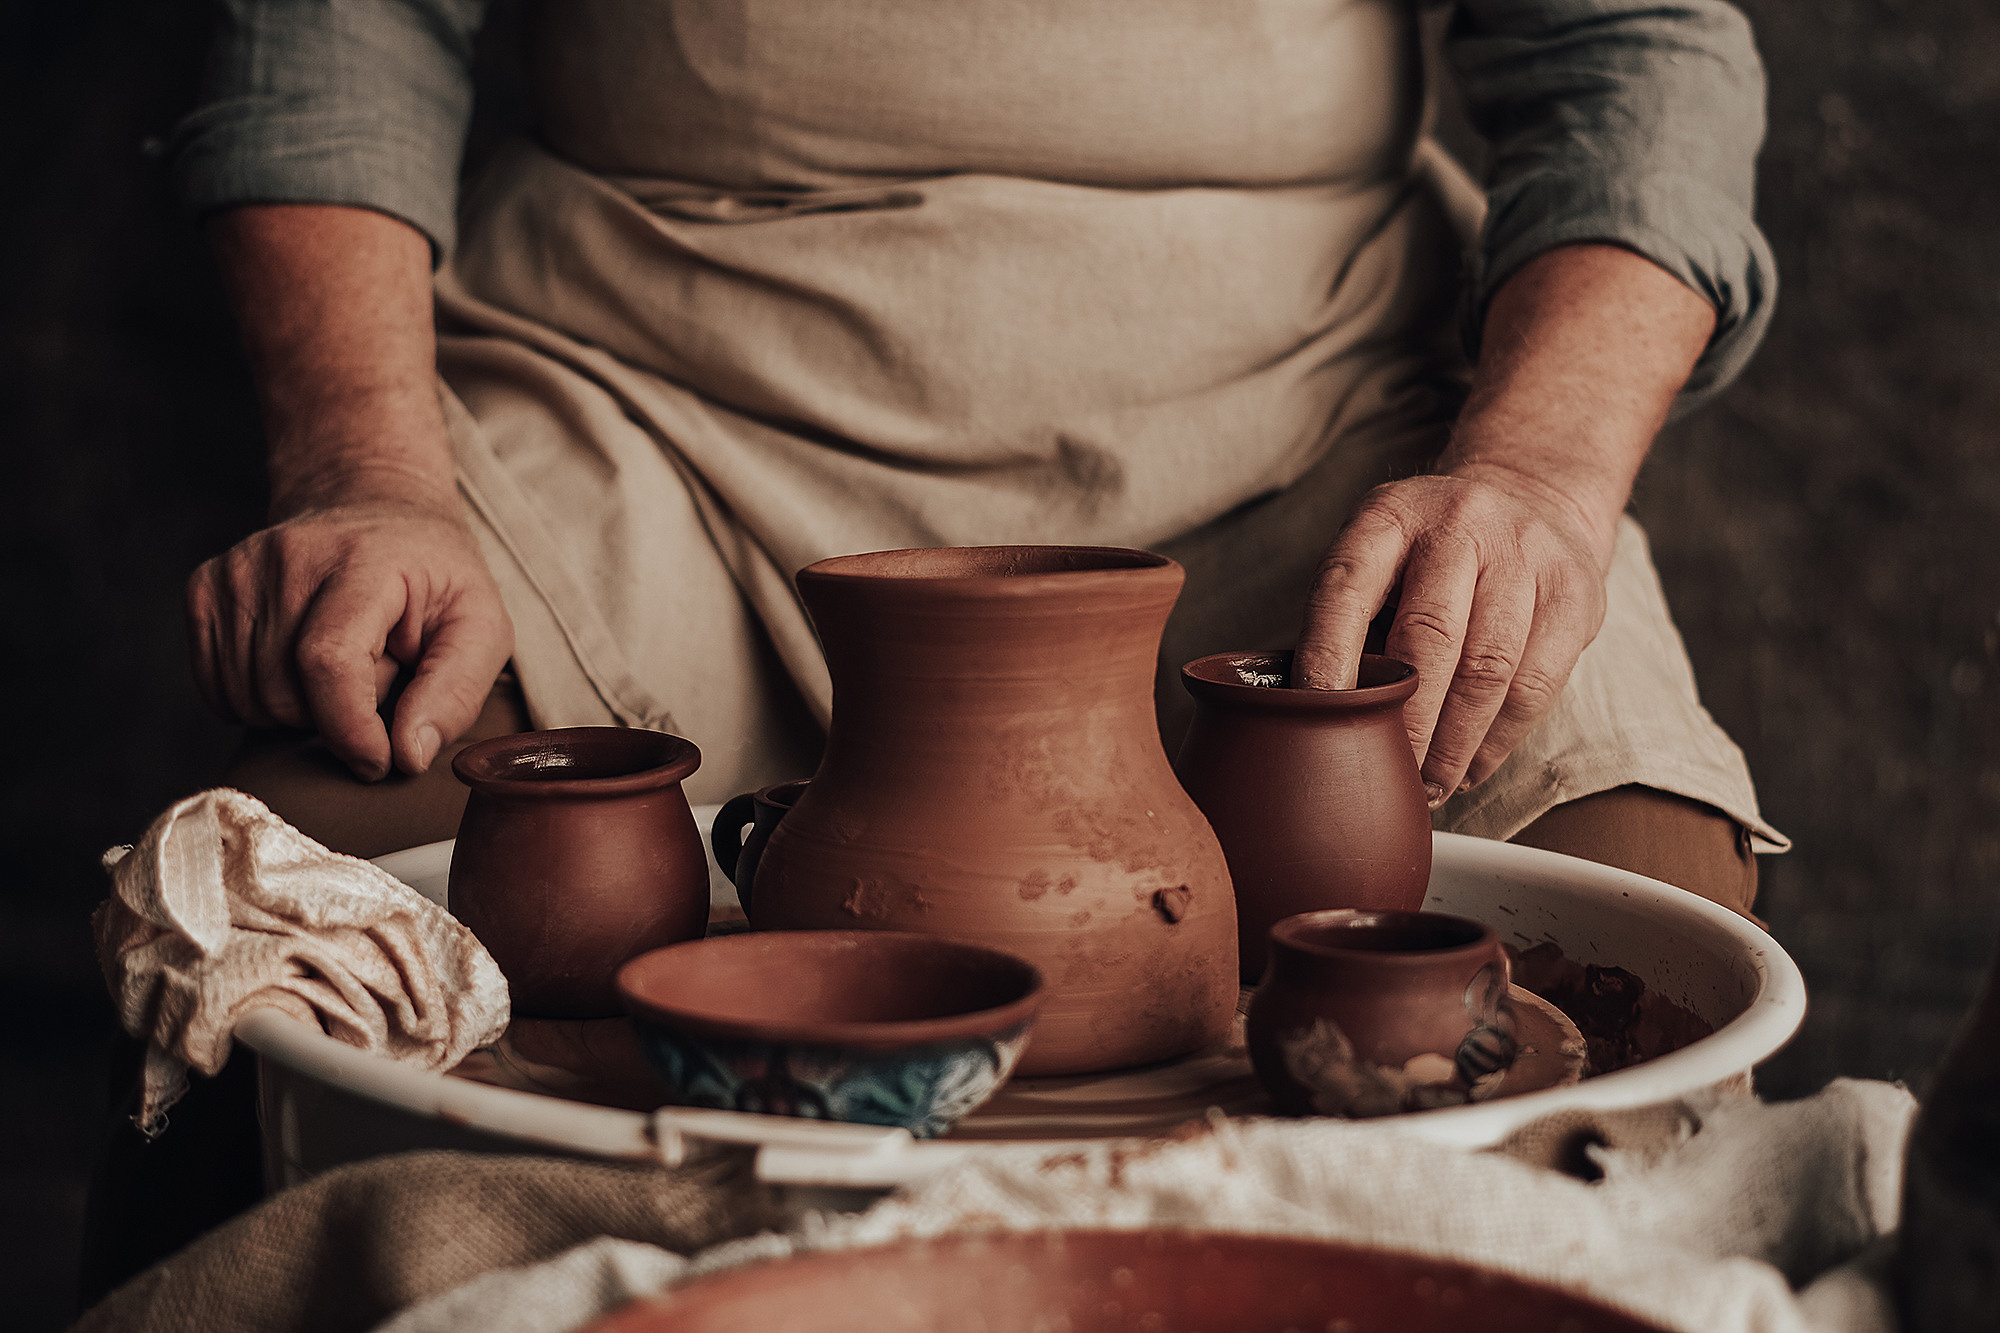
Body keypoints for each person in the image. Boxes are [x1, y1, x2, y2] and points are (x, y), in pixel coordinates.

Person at [177, 0, 1786, 904]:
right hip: (644, 411)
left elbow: (1632, 46)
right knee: (295, 898)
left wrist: (1539, 475)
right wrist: (366, 472)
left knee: (1637, 898)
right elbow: (337, 27)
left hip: (1313, 425)